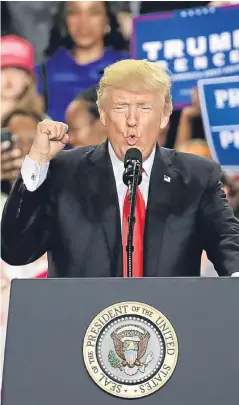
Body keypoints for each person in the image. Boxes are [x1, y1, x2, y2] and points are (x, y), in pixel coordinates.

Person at [1, 59, 239, 278]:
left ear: (165, 115)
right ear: (103, 114)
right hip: (81, 321)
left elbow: (229, 249)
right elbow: (15, 251)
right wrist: (37, 163)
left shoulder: (197, 176)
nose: (132, 120)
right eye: (120, 107)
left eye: (144, 108)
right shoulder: (63, 171)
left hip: (169, 321)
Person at [35, 1, 128, 122]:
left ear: (107, 20)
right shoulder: (45, 71)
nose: (84, 22)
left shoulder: (128, 67)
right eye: (74, 12)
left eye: (94, 12)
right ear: (65, 19)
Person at [1, 35, 44, 123]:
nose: (9, 76)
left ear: (28, 78)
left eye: (17, 69)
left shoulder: (42, 124)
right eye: (3, 69)